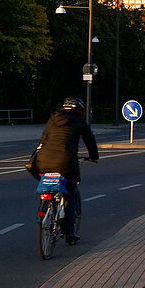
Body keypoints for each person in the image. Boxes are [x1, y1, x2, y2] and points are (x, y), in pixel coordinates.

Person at [35, 97, 98, 244]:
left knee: (47, 185)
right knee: (70, 191)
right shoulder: (79, 121)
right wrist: (94, 157)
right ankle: (69, 234)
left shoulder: (53, 119)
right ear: (79, 109)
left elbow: (43, 139)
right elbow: (90, 140)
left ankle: (46, 207)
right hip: (66, 162)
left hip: (43, 160)